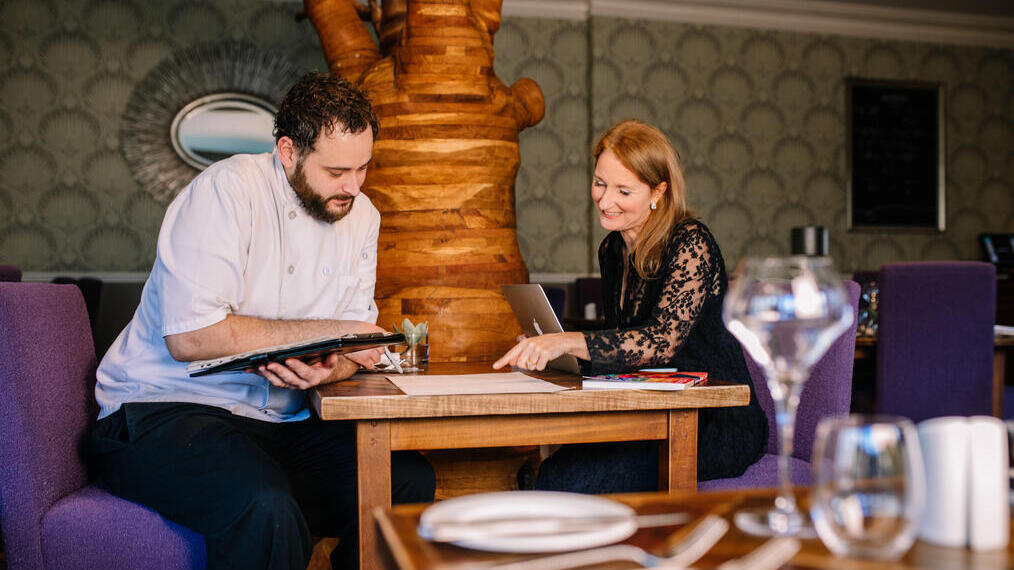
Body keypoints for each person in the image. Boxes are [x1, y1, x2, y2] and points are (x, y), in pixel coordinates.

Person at [90, 72, 435, 569]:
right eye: (337, 170)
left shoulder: (363, 216)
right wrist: (331, 337)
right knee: (266, 506)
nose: (353, 186)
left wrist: (330, 368)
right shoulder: (226, 192)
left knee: (406, 481)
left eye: (363, 168)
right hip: (164, 410)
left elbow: (355, 349)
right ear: (289, 151)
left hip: (280, 420)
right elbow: (189, 337)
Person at [494, 119, 767, 491]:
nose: (605, 201)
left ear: (658, 191)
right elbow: (625, 337)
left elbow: (658, 343)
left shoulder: (691, 243)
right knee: (556, 472)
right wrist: (551, 341)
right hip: (649, 411)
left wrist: (569, 342)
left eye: (623, 190)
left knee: (573, 481)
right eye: (599, 183)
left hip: (712, 421)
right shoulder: (613, 249)